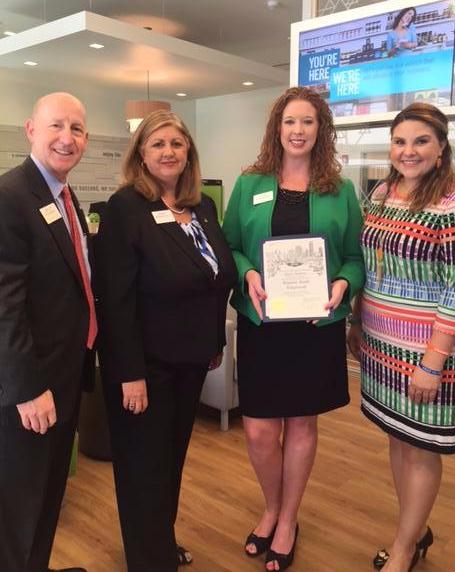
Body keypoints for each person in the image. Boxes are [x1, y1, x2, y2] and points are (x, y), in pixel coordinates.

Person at [222, 86, 365, 571]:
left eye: (307, 121)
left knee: (302, 424)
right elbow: (230, 247)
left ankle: (287, 519)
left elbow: (354, 258)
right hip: (262, 323)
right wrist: (247, 273)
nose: (298, 130)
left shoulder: (340, 190)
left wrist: (343, 283)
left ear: (321, 129)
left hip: (315, 325)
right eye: (289, 121)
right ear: (276, 129)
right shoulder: (250, 184)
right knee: (259, 430)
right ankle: (271, 505)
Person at [97, 110, 237, 572]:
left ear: (188, 152)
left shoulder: (203, 208)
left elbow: (215, 278)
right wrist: (130, 374)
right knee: (144, 470)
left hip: (190, 362)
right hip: (146, 367)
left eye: (177, 143)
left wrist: (214, 341)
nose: (168, 152)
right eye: (157, 144)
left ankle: (159, 543)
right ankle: (149, 559)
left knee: (170, 462)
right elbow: (115, 300)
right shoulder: (125, 208)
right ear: (140, 153)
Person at [348, 102, 455, 572]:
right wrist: (356, 321)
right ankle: (416, 529)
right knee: (400, 438)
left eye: (421, 141)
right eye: (400, 141)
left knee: (422, 448)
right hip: (383, 344)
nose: (409, 151)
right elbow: (369, 265)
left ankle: (404, 549)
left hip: (432, 351)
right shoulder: (383, 192)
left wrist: (432, 362)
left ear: (441, 148)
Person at [0, 92, 95, 572]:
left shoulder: (64, 196)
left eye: (76, 129)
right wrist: (28, 389)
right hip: (30, 390)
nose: (67, 138)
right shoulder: (10, 196)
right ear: (31, 130)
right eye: (56, 125)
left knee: (48, 496)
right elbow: (4, 305)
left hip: (63, 377)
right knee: (19, 511)